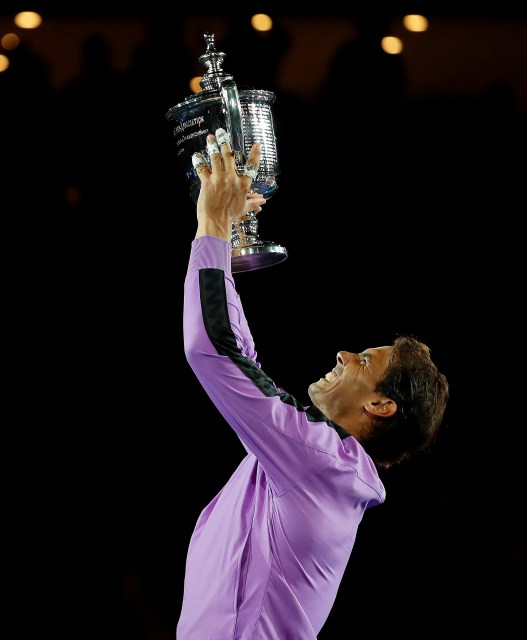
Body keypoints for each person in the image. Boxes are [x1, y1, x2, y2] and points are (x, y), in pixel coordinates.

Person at [177, 129, 449, 638]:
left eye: (363, 361)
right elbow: (240, 356)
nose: (344, 354)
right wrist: (225, 239)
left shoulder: (319, 461)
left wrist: (212, 223)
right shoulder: (314, 462)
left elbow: (213, 350)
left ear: (381, 405)